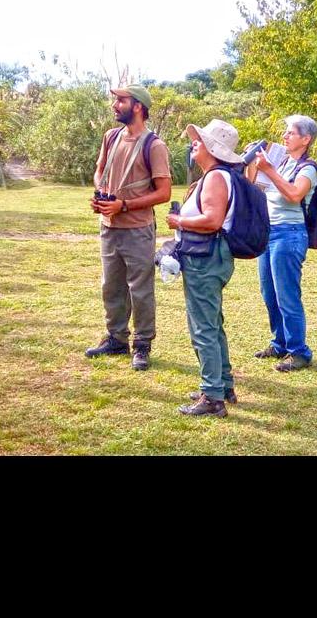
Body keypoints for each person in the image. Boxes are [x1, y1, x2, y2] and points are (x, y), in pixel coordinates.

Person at [85, 84, 172, 371]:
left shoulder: (154, 146)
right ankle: (116, 338)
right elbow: (99, 171)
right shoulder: (110, 137)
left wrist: (123, 205)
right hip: (109, 227)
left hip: (137, 229)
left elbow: (164, 193)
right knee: (111, 286)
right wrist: (102, 194)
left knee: (140, 290)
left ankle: (142, 345)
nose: (115, 105)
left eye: (121, 100)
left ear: (137, 106)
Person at [166, 119, 243, 417]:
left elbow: (212, 220)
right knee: (213, 323)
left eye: (200, 140)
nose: (194, 144)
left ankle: (212, 396)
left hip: (205, 258)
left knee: (203, 327)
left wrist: (179, 221)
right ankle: (222, 384)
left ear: (213, 148)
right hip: (212, 255)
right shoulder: (220, 175)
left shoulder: (215, 178)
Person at [251, 115, 317, 371]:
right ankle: (279, 343)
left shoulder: (308, 168)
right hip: (269, 233)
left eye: (291, 133)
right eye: (286, 132)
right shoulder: (281, 162)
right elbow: (256, 186)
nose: (285, 136)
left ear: (306, 139)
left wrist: (269, 170)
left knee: (287, 295)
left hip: (289, 234)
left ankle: (299, 351)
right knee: (269, 293)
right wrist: (254, 162)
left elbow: (293, 194)